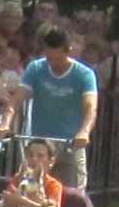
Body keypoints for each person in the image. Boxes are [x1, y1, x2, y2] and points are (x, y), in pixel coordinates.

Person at [18, 28, 100, 192]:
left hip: (71, 144)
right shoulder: (35, 68)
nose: (53, 63)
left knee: (73, 195)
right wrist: (5, 122)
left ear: (68, 51)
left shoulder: (84, 74)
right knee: (31, 191)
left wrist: (84, 132)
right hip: (41, 144)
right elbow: (17, 99)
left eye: (57, 58)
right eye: (49, 58)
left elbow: (91, 107)